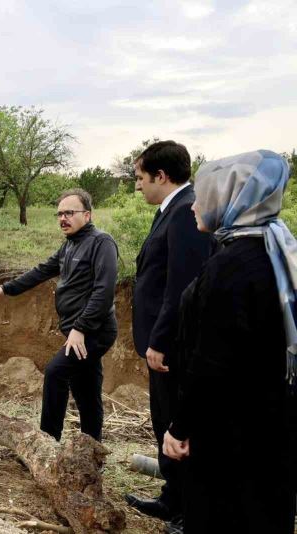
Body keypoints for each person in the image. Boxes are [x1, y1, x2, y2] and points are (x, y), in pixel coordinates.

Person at [163, 150, 297, 533]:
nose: (194, 207)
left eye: (204, 196)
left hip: (232, 436)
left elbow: (213, 362)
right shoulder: (277, 251)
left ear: (231, 199)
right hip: (273, 427)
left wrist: (180, 426)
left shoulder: (233, 265)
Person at [0, 188, 118, 441]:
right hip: (78, 330)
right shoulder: (70, 245)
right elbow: (42, 271)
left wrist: (80, 328)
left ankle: (47, 441)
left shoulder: (101, 243)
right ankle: (92, 449)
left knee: (56, 372)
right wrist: (5, 289)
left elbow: (104, 291)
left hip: (94, 331)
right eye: (59, 214)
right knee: (85, 388)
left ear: (87, 215)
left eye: (69, 213)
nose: (63, 218)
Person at [124, 141, 212, 533]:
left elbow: (181, 286)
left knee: (178, 426)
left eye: (140, 178)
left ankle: (187, 514)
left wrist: (159, 339)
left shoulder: (184, 213)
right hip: (161, 343)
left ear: (161, 176)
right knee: (163, 422)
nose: (137, 187)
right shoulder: (171, 210)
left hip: (173, 345)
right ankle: (171, 499)